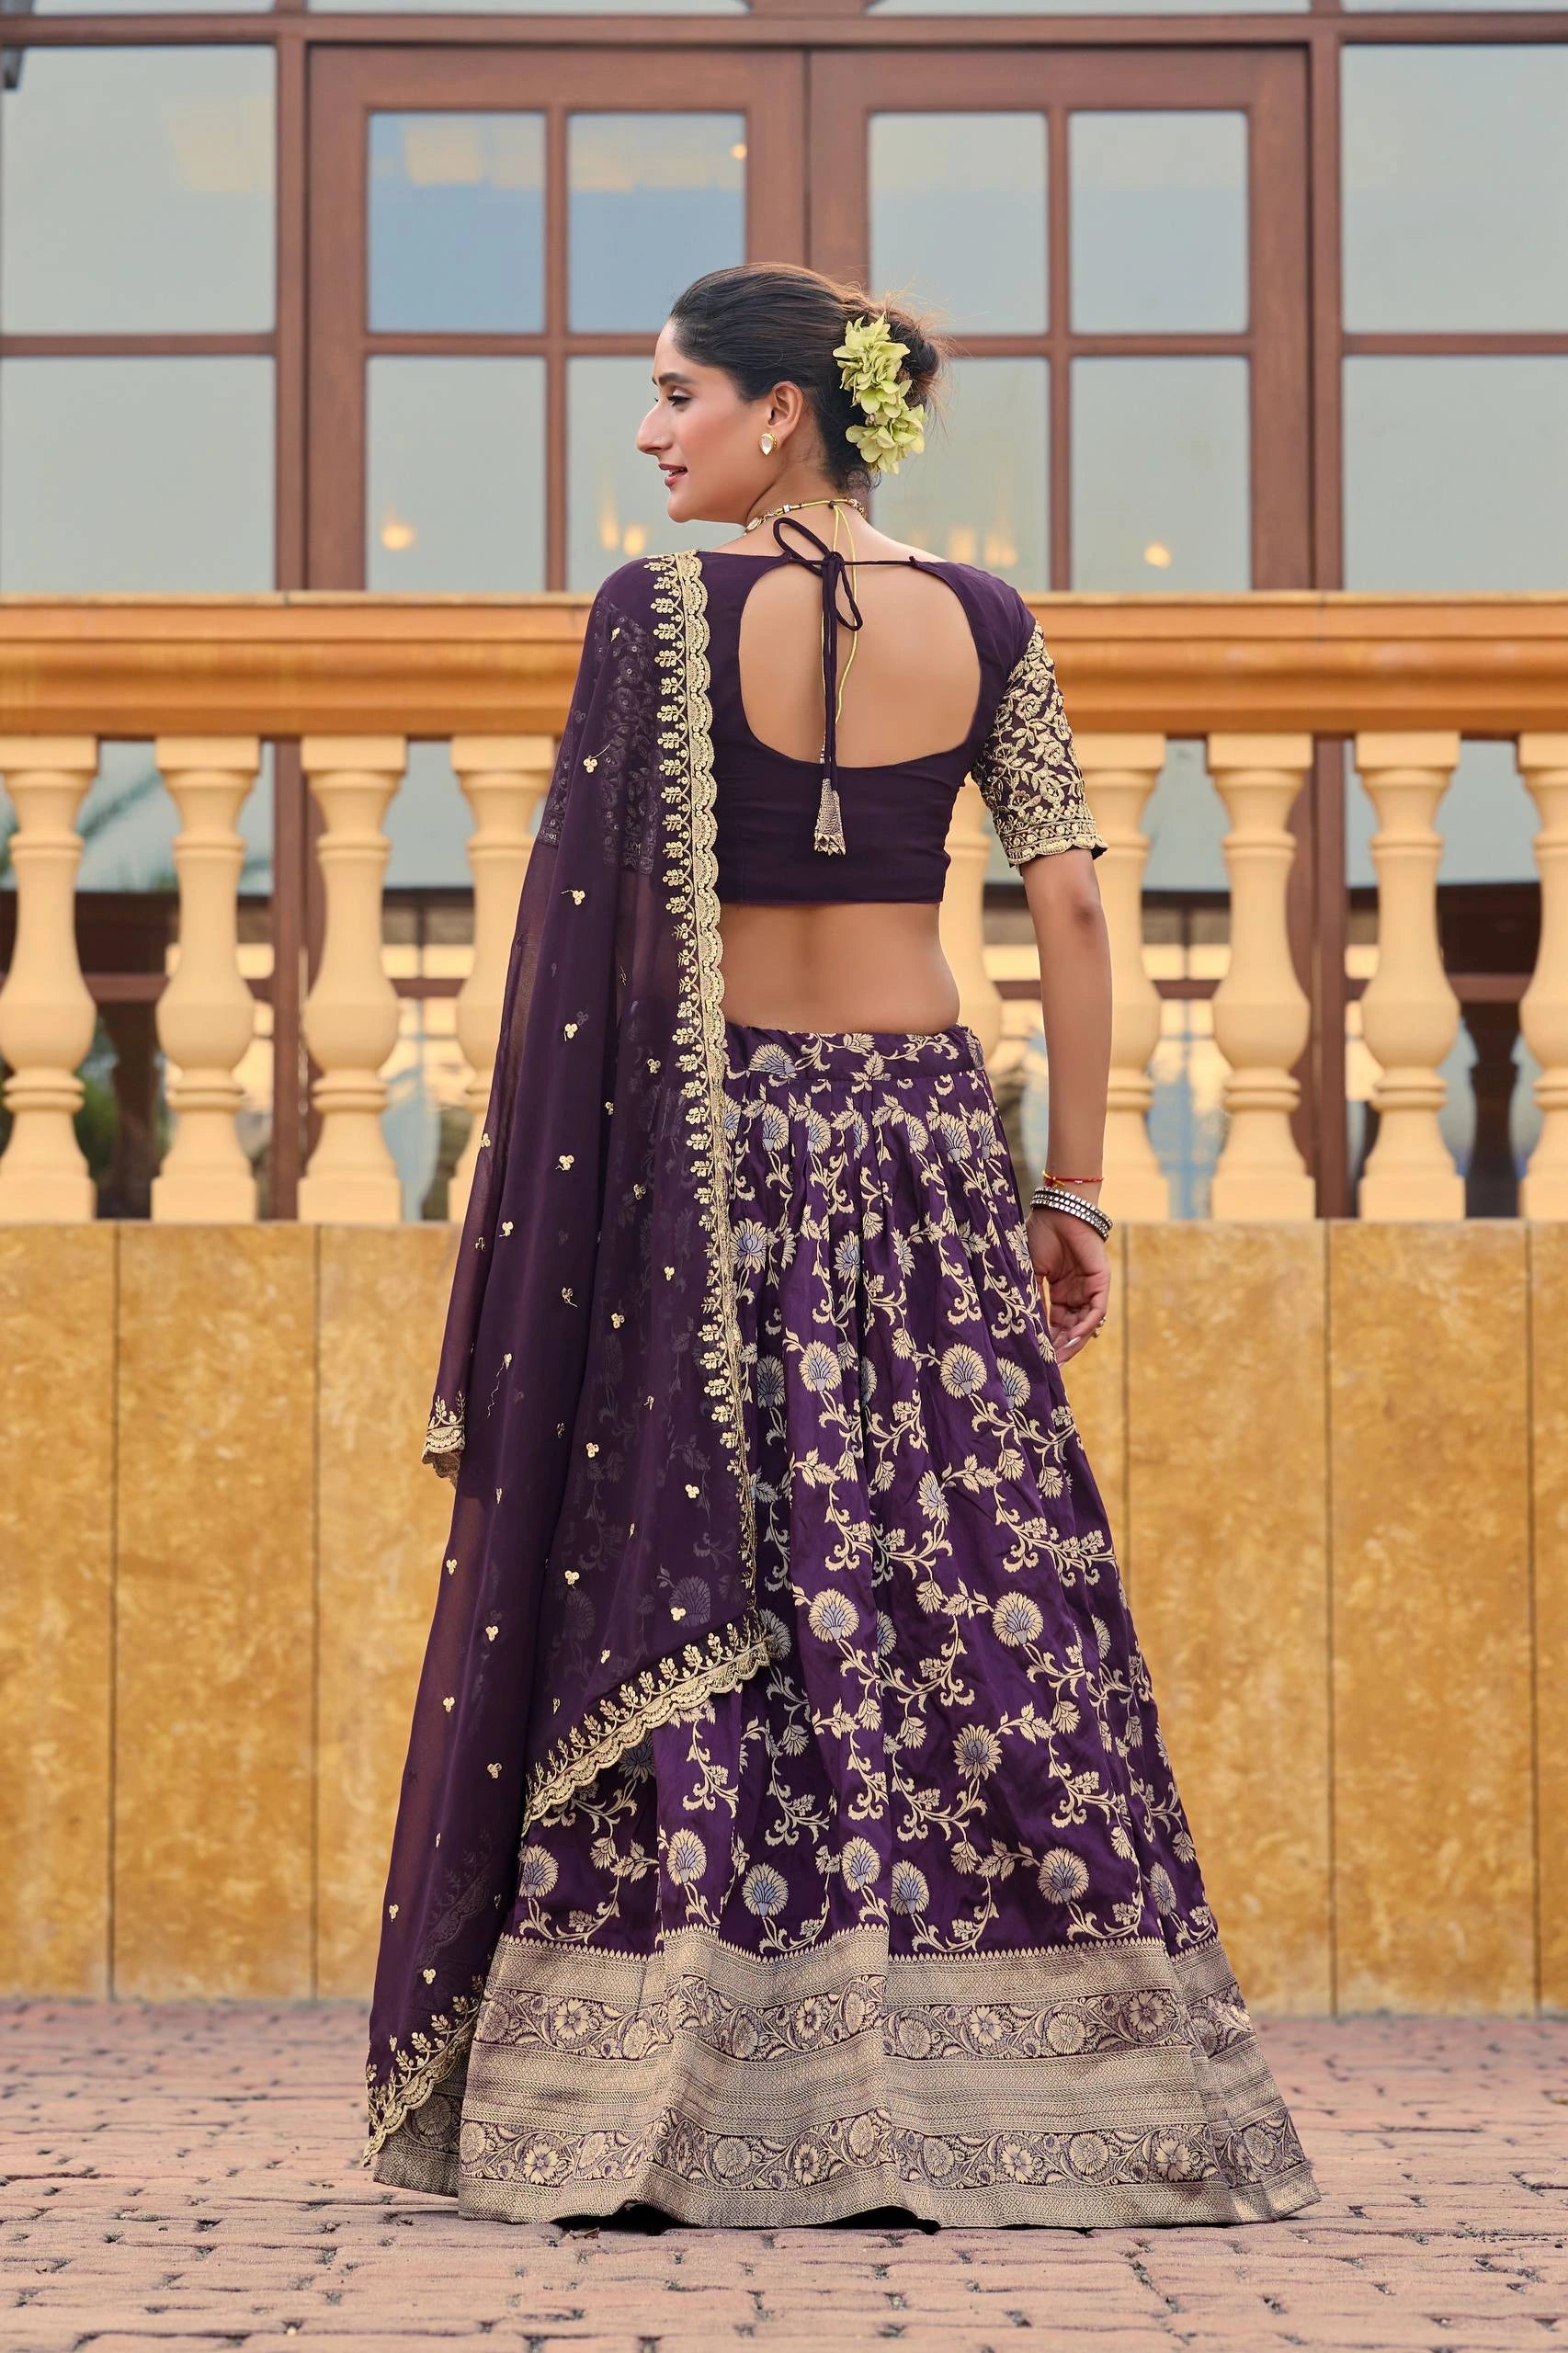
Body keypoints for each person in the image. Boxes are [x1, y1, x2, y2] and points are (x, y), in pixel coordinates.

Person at [360, 261, 1321, 2230]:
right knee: (952, 1574)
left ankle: (674, 2086)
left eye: (674, 396)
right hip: (918, 1148)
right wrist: (1065, 1182)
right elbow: (1065, 902)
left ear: (777, 412)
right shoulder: (986, 623)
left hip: (712, 1162)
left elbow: (585, 950)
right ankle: (1044, 2069)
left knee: (704, 1564)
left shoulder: (653, 621)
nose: (650, 435)